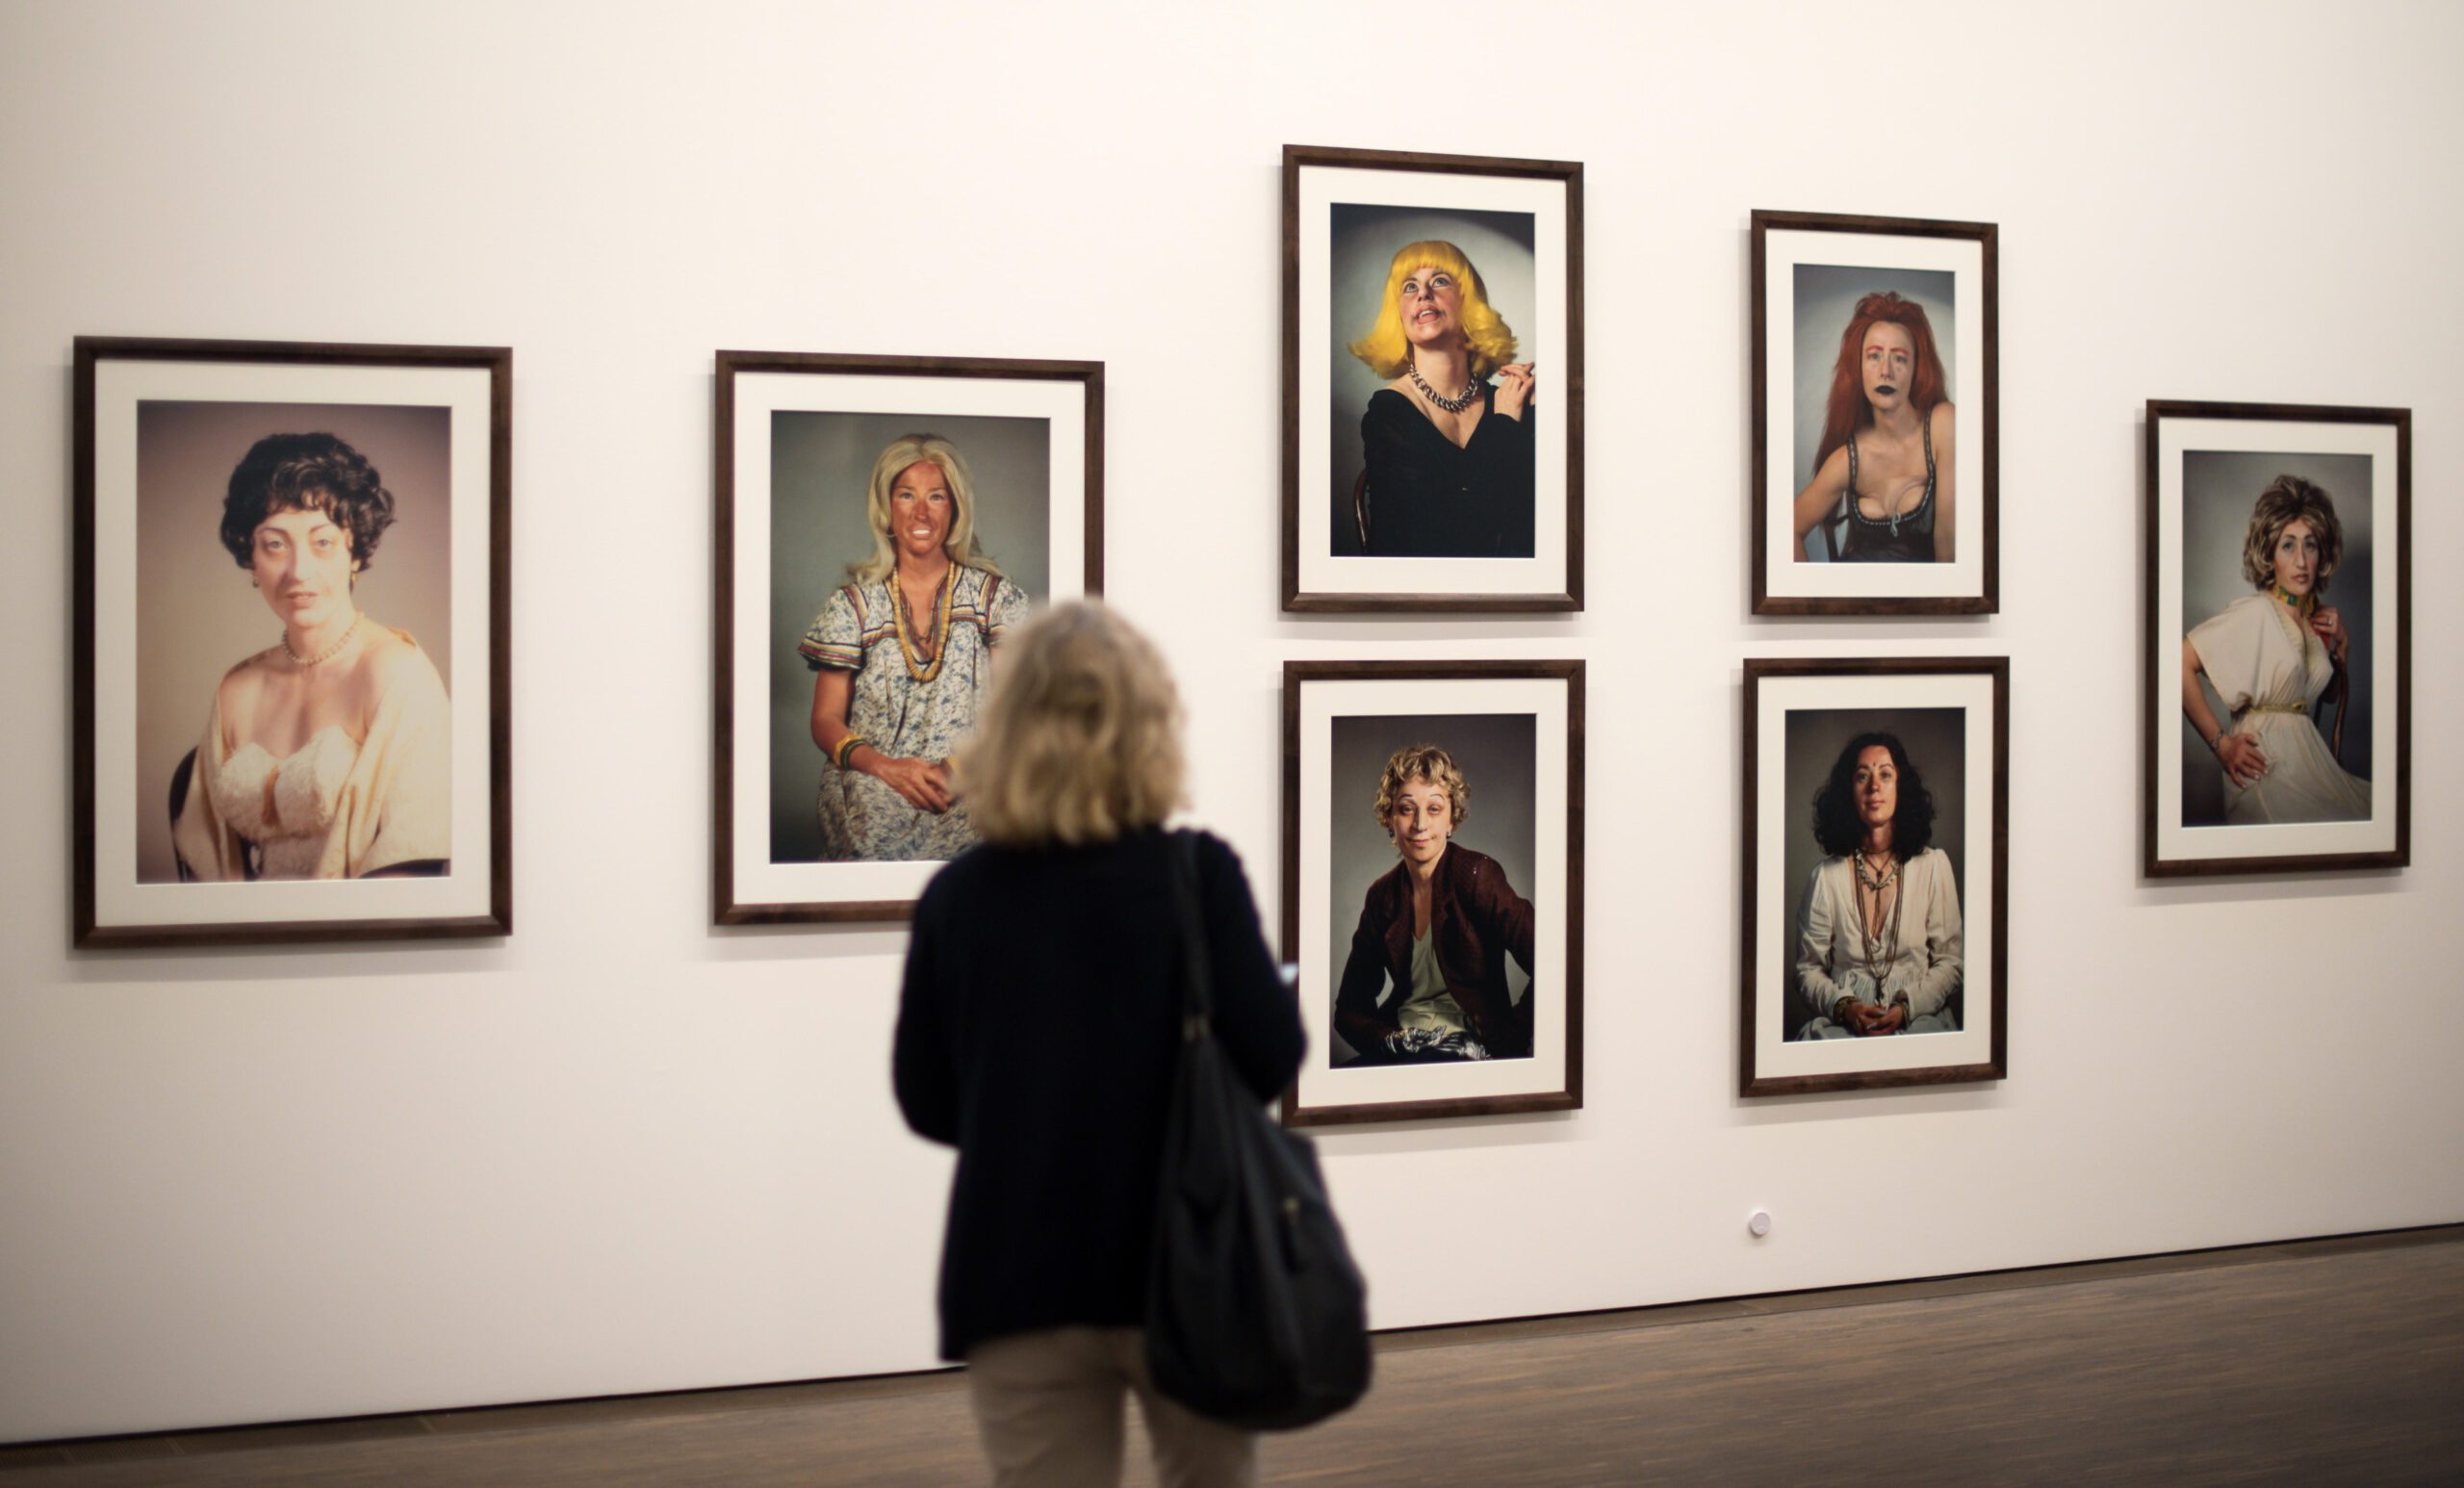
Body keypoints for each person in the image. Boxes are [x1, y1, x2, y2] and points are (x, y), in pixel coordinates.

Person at [892, 603, 1303, 1488]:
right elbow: (1271, 1056)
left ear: (1004, 727)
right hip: (1188, 1261)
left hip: (1018, 1270)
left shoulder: (959, 899)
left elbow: (926, 1099)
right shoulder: (1198, 876)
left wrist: (1031, 1116)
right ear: (1150, 729)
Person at [170, 432, 451, 881]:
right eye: (275, 544)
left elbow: (412, 864)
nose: (298, 571)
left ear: (354, 552)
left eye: (322, 542)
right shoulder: (236, 689)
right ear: (252, 558)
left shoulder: (397, 674)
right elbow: (205, 866)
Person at [799, 434, 1027, 861]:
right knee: (868, 830)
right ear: (887, 510)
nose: (921, 512)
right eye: (907, 495)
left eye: (936, 497)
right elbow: (826, 720)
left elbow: (1017, 711)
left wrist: (953, 772)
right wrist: (885, 767)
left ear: (955, 510)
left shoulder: (996, 600)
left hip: (973, 775)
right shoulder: (853, 605)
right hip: (875, 776)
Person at [2179, 475, 2370, 824]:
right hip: (2268, 772)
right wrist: (2221, 746)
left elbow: (2329, 696)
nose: (2301, 560)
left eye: (2310, 545)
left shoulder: (2313, 622)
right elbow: (2178, 664)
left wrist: (2343, 645)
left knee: (2374, 811)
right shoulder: (2257, 612)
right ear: (2269, 553)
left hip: (2311, 768)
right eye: (2288, 545)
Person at [1332, 744, 1536, 1064]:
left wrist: (1510, 1037)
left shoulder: (1476, 875)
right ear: (1389, 818)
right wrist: (1390, 1040)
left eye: (1435, 809)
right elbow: (1348, 1010)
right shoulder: (1382, 896)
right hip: (1404, 1046)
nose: (1420, 824)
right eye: (1406, 808)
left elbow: (1554, 961)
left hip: (1469, 1049)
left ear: (1452, 819)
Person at [1346, 240, 1537, 557]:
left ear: (1467, 301)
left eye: (1440, 281)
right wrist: (1504, 427)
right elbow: (1447, 529)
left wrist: (1543, 422)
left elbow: (1531, 527)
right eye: (1409, 286)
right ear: (1399, 314)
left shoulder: (1511, 402)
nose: (1423, 294)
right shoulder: (1388, 412)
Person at [1794, 732, 1962, 1039]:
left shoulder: (1933, 866)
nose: (1874, 787)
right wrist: (1846, 1007)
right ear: (1849, 792)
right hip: (1845, 1026)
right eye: (1862, 776)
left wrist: (1907, 1008)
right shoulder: (1826, 877)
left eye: (1885, 774)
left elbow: (1950, 962)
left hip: (1920, 1022)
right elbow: (1808, 970)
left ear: (1902, 787)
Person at [1789, 291, 1957, 564]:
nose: (1886, 371)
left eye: (1900, 358)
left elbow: (1948, 545)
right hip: (1853, 603)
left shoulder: (1943, 424)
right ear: (1859, 368)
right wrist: (1811, 602)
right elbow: (1788, 529)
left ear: (1917, 369)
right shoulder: (1847, 459)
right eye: (1874, 356)